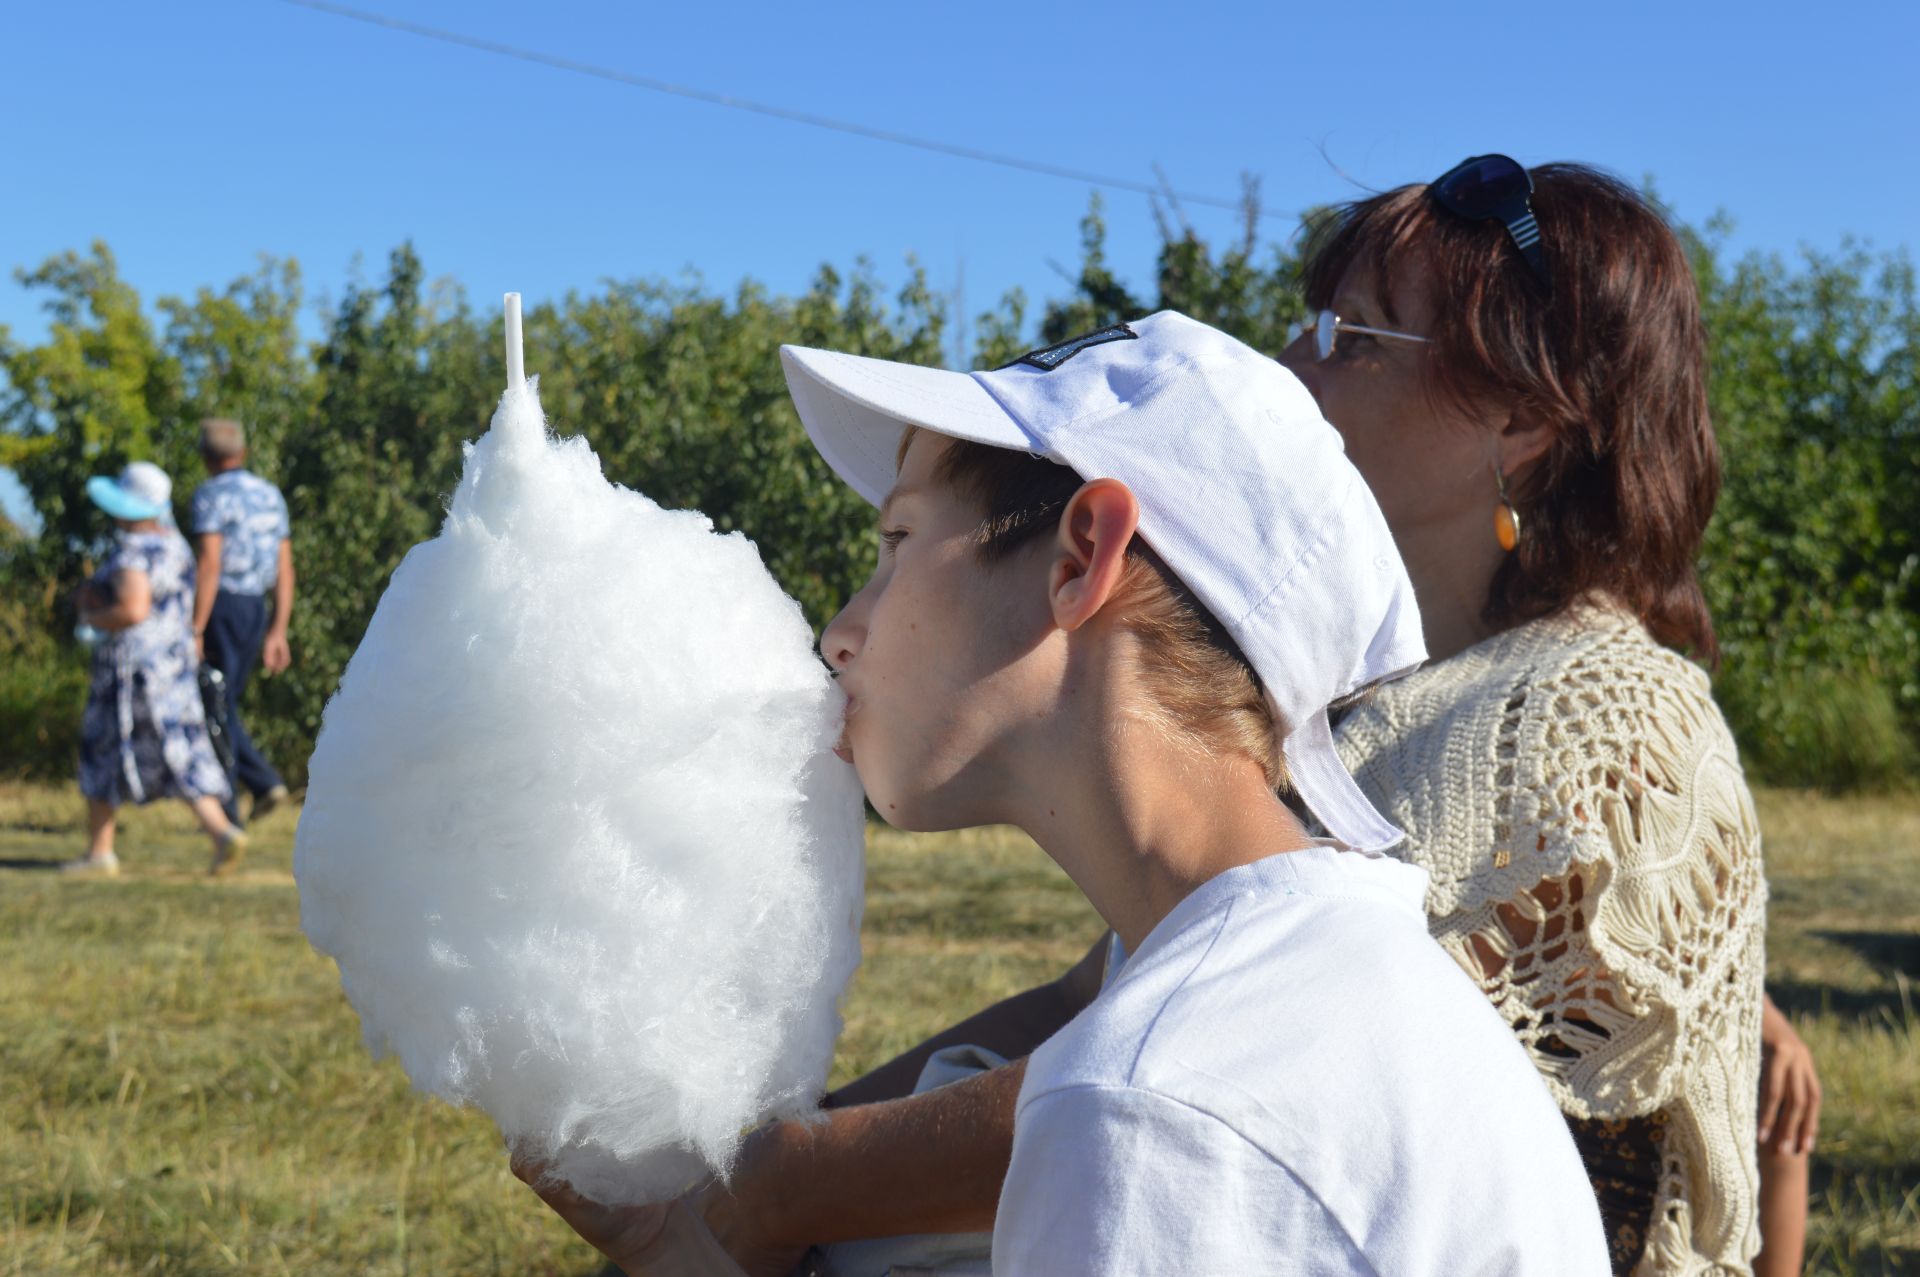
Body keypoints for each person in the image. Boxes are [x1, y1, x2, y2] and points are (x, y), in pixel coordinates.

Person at [525, 156, 1822, 1277]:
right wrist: (703, 1199)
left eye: (1358, 336)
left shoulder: (1590, 710)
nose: (1302, 362)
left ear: (1525, 425)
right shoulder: (1316, 850)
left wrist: (770, 1190)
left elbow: (1200, 1084)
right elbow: (1111, 1013)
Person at [66, 462, 248, 877]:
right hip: (173, 665)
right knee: (179, 749)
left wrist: (90, 615)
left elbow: (133, 608)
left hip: (132, 671)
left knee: (101, 748)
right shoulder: (175, 546)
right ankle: (222, 831)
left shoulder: (133, 550)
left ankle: (100, 852)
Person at [189, 417, 294, 826]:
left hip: (222, 605)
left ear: (206, 457)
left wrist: (196, 626)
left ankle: (229, 810)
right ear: (243, 452)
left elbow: (210, 562)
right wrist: (278, 628)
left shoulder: (209, 496)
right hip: (256, 608)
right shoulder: (270, 495)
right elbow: (285, 567)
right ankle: (261, 783)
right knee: (223, 701)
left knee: (213, 703)